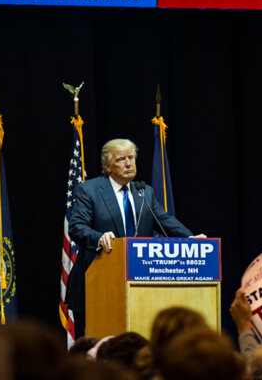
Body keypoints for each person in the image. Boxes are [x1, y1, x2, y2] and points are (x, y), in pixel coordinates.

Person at [66, 139, 203, 338]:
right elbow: (77, 227)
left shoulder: (144, 192)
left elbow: (163, 220)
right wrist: (99, 237)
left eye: (131, 158)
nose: (129, 163)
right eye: (121, 159)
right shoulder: (90, 190)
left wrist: (191, 239)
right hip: (97, 284)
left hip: (137, 286)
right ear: (107, 166)